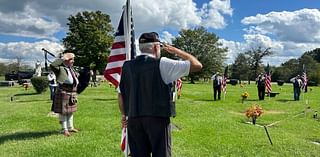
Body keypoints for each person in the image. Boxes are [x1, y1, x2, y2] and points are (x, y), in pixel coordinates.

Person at [118, 32, 202, 157]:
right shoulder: (163, 63)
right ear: (157, 47)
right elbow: (197, 65)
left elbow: (120, 95)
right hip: (157, 118)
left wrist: (125, 115)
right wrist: (176, 51)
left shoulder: (126, 66)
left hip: (134, 118)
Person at [50, 52, 79, 136]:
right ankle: (64, 129)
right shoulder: (60, 68)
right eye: (71, 59)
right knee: (63, 112)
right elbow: (52, 65)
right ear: (66, 60)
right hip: (63, 91)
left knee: (70, 111)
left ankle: (70, 127)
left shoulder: (71, 68)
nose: (73, 61)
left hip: (72, 92)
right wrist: (63, 58)